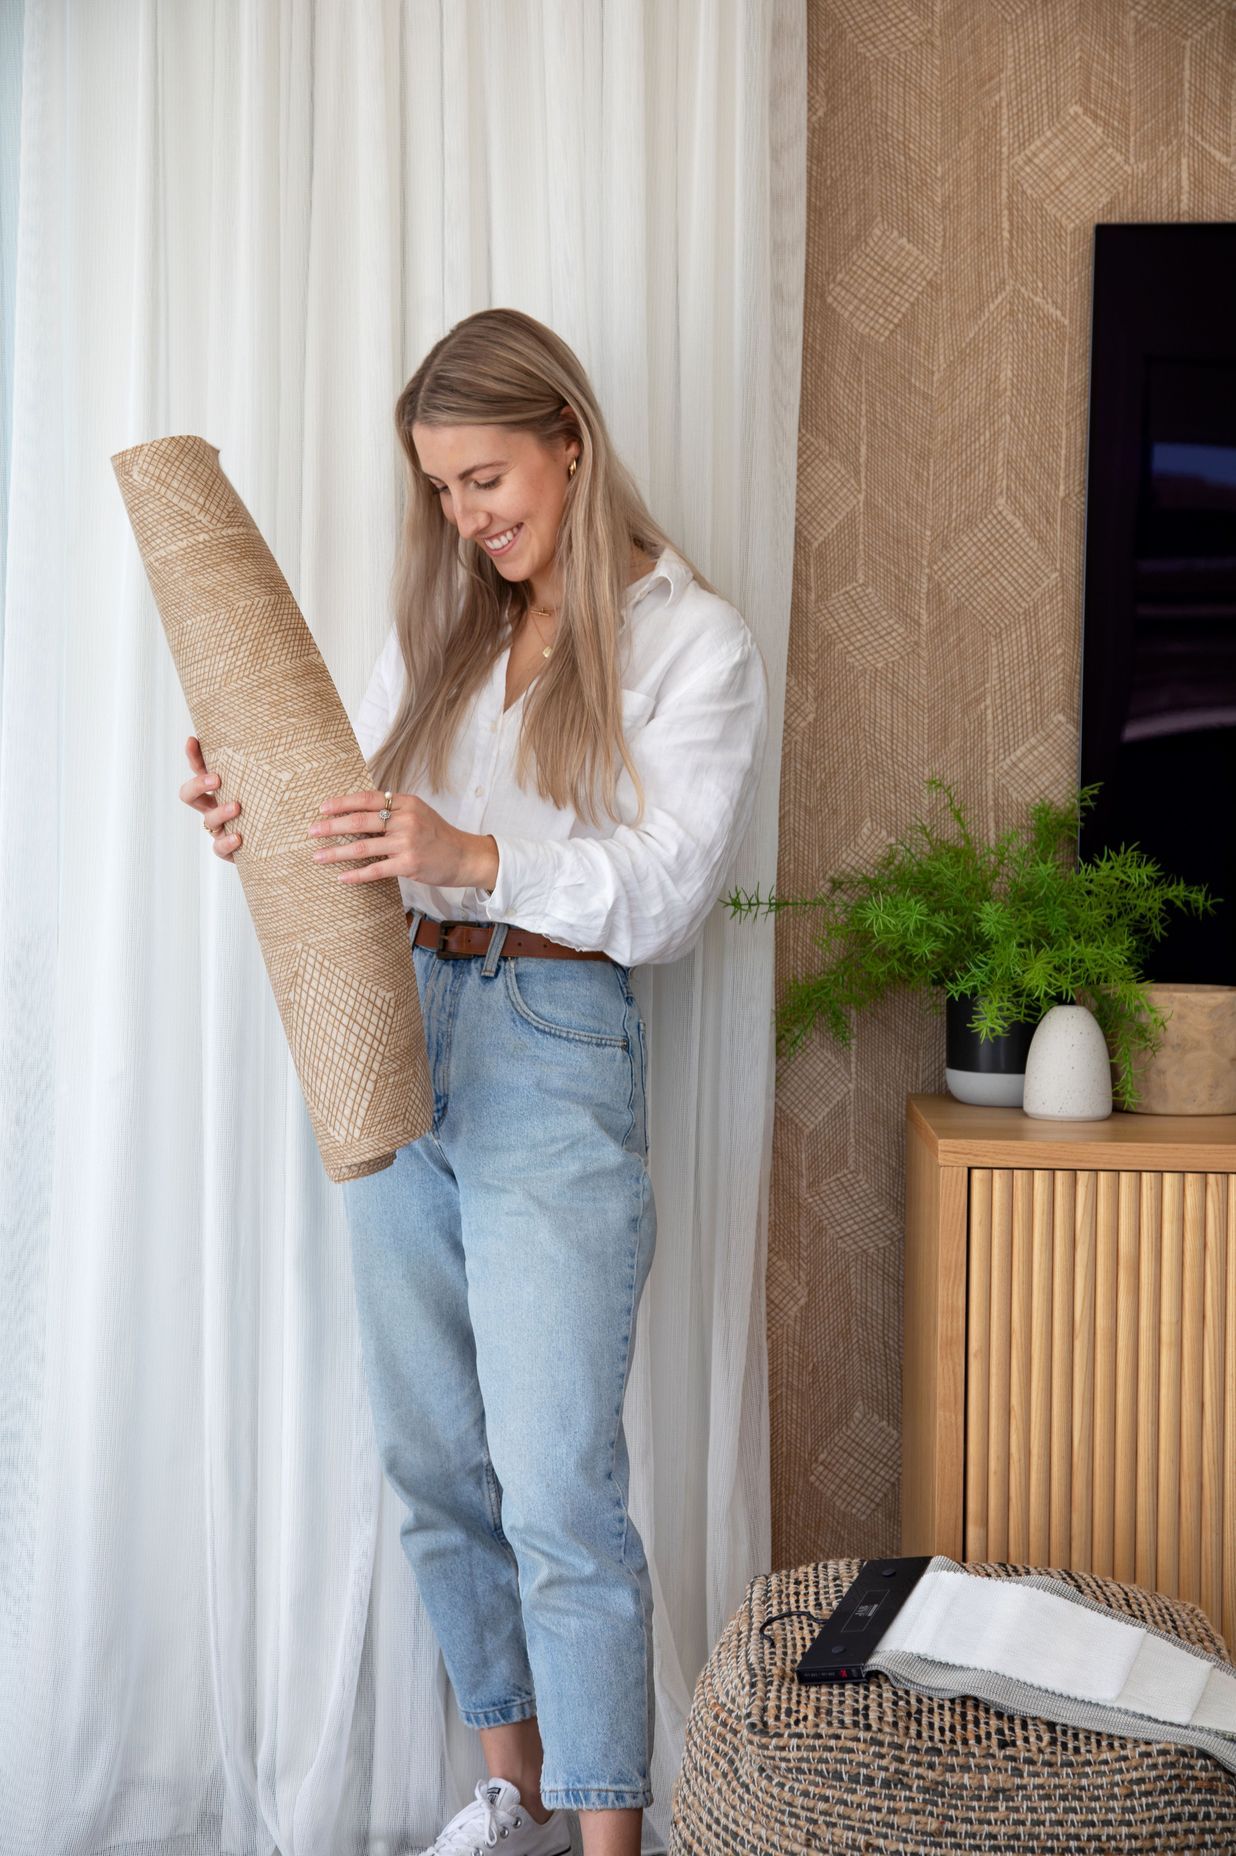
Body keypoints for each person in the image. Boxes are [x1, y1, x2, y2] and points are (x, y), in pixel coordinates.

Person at [178, 307, 767, 1856]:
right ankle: (510, 1802)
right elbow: (355, 818)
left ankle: (606, 1843)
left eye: (488, 478)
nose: (468, 517)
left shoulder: (695, 641)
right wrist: (253, 804)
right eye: (442, 490)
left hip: (556, 1053)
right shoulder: (445, 634)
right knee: (433, 1460)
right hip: (395, 1025)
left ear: (571, 441)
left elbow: (672, 891)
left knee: (559, 1487)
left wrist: (480, 856)